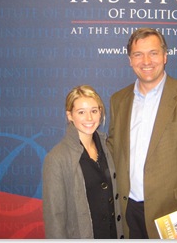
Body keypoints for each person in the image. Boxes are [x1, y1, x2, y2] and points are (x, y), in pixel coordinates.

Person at [108, 28, 177, 239]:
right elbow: (113, 150)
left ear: (165, 56)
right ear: (130, 60)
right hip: (128, 211)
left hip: (172, 215)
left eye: (153, 53)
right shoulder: (118, 100)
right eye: (138, 54)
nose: (146, 61)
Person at [42, 85, 124, 239]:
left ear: (100, 112)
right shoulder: (57, 158)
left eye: (94, 111)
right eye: (81, 112)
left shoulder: (108, 147)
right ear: (70, 115)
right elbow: (55, 218)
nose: (89, 118)